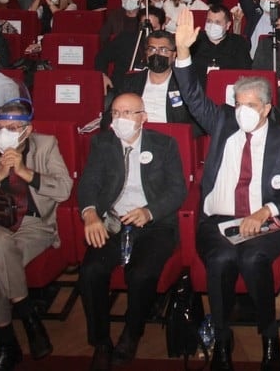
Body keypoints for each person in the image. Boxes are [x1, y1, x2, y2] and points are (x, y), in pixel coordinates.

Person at [172, 9, 280, 371]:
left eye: (250, 106)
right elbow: (192, 95)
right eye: (238, 104)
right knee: (220, 260)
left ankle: (269, 335)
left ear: (266, 108)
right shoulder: (220, 123)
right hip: (217, 219)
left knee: (252, 259)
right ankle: (222, 338)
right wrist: (184, 54)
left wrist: (266, 210)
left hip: (263, 221)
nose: (242, 111)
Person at [0, 99, 72, 370]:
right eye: (0, 126)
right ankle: (27, 314)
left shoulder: (46, 145)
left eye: (13, 127)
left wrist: (25, 172)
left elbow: (64, 189)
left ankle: (6, 341)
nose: (5, 132)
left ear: (26, 130)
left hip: (33, 225)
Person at [76, 92, 188, 370]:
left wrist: (149, 211)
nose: (121, 119)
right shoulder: (102, 143)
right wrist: (90, 214)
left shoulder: (164, 145)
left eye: (128, 113)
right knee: (91, 271)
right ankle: (101, 341)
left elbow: (178, 190)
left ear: (144, 118)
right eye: (116, 113)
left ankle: (131, 333)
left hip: (154, 224)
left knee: (140, 273)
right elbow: (88, 183)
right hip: (113, 222)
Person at [108, 29, 197, 127]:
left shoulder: (184, 84)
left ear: (174, 55)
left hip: (170, 137)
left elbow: (196, 122)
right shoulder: (130, 82)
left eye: (163, 50)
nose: (156, 54)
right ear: (146, 54)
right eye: (152, 49)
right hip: (137, 135)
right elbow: (110, 115)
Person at [189, 5, 252, 87]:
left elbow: (245, 73)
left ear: (228, 25)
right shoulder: (194, 40)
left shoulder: (238, 43)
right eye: (209, 21)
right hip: (197, 91)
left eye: (217, 22)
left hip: (227, 90)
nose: (212, 25)